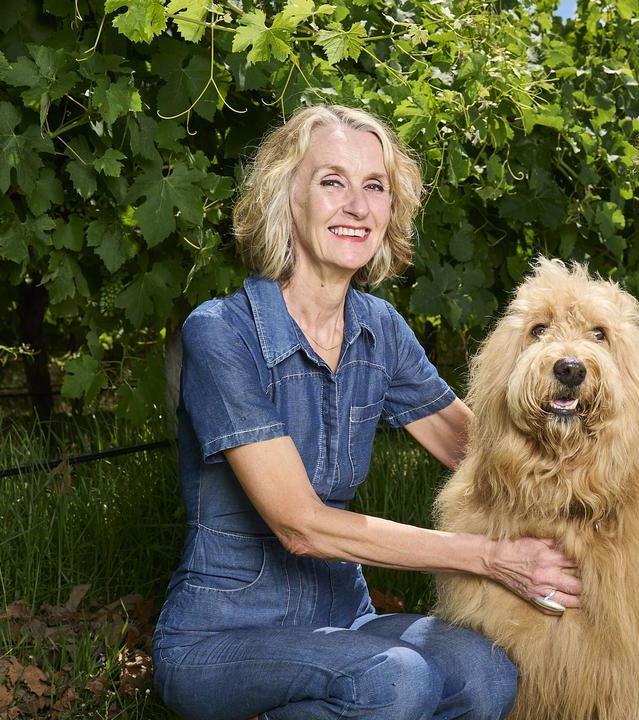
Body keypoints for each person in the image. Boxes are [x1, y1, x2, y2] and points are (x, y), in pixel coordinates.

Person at [151, 104, 582, 720]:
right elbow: (300, 525)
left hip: (342, 621)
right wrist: (489, 556)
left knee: (486, 674)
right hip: (219, 640)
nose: (357, 206)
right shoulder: (221, 332)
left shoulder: (379, 329)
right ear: (284, 195)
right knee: (396, 682)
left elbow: (481, 452)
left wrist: (596, 477)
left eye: (374, 187)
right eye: (332, 182)